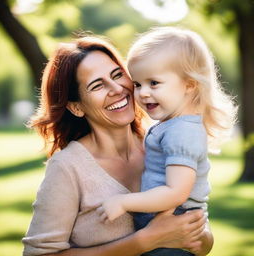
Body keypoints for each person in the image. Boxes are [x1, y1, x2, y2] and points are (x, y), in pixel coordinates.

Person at [22, 33, 214, 256]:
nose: (117, 89)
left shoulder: (161, 143)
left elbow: (200, 233)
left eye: (117, 75)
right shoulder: (68, 167)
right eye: (97, 85)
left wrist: (200, 237)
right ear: (76, 107)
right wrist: (144, 241)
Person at [98, 27, 237, 255]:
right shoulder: (172, 125)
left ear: (189, 84)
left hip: (175, 225)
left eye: (154, 83)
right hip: (164, 223)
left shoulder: (182, 131)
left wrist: (124, 202)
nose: (142, 93)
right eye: (138, 84)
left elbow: (176, 193)